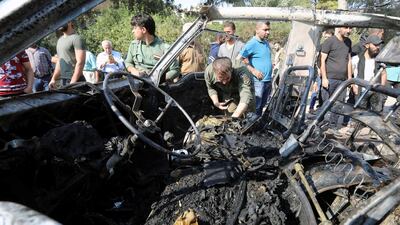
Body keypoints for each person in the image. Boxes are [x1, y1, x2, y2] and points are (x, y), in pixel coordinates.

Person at [125, 13, 179, 82]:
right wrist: (133, 71)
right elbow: (128, 63)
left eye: (135, 28)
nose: (133, 31)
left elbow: (175, 70)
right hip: (137, 85)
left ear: (143, 30)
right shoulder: (134, 45)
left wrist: (158, 79)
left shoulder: (165, 48)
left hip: (157, 88)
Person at [320, 26, 353, 129]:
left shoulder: (348, 42)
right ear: (339, 28)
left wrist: (349, 79)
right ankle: (318, 123)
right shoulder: (329, 41)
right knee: (326, 103)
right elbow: (322, 61)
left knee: (338, 105)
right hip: (329, 79)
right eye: (346, 28)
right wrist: (324, 78)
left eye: (350, 28)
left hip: (342, 81)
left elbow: (349, 61)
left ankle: (332, 127)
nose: (349, 30)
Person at [240, 21, 273, 116]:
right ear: (257, 30)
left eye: (268, 30)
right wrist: (253, 70)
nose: (268, 32)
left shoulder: (266, 42)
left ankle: (257, 127)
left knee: (261, 106)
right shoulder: (252, 43)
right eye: (265, 30)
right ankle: (251, 128)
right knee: (255, 107)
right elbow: (240, 58)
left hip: (267, 80)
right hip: (258, 82)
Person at [352, 34, 386, 112]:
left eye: (379, 45)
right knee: (359, 114)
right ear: (367, 45)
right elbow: (349, 73)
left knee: (376, 115)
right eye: (375, 45)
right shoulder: (356, 59)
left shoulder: (379, 60)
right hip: (361, 91)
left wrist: (382, 89)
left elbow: (383, 73)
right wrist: (353, 86)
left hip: (376, 91)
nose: (377, 47)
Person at [49, 21, 86, 89]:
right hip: (63, 81)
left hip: (76, 81)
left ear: (70, 22)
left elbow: (80, 62)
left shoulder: (77, 39)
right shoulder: (60, 40)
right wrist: (53, 79)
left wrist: (72, 83)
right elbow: (60, 61)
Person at [309, 29, 334, 114]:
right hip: (320, 72)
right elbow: (318, 60)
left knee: (325, 92)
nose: (327, 39)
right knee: (316, 90)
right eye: (325, 37)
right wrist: (319, 69)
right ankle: (311, 107)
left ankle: (322, 108)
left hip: (329, 72)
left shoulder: (333, 47)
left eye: (329, 37)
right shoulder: (321, 46)